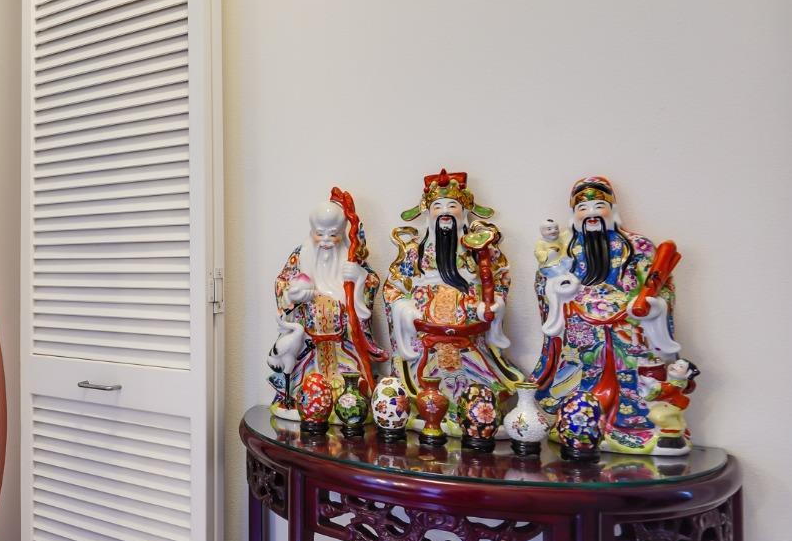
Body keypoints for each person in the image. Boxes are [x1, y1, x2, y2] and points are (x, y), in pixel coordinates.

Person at [533, 176, 689, 455]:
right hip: (580, 323)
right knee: (579, 373)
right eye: (583, 208)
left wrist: (652, 305)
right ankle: (579, 421)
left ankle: (633, 424)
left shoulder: (638, 246)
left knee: (637, 372)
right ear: (574, 215)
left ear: (612, 209)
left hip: (627, 323)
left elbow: (661, 287)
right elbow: (547, 279)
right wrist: (557, 288)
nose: (591, 213)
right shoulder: (567, 247)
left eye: (598, 206)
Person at [383, 170, 523, 420]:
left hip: (469, 345)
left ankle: (475, 417)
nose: (445, 211)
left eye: (452, 205)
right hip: (426, 344)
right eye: (438, 205)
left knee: (479, 399)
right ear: (428, 213)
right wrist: (406, 310)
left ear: (464, 211)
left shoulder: (480, 252)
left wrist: (495, 304)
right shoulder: (414, 252)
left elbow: (500, 280)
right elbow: (393, 289)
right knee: (419, 393)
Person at [268, 189, 382, 419]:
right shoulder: (301, 256)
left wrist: (359, 277)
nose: (327, 241)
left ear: (342, 233)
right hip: (309, 346)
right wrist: (293, 295)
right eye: (320, 234)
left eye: (333, 234)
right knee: (303, 380)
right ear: (311, 233)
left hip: (343, 346)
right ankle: (300, 399)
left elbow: (371, 285)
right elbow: (282, 283)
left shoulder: (352, 258)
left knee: (351, 387)